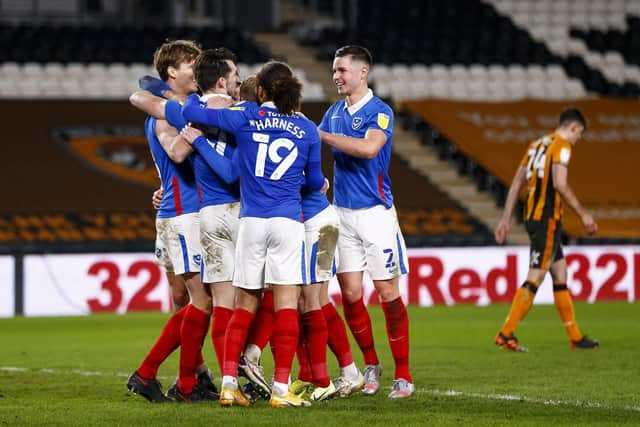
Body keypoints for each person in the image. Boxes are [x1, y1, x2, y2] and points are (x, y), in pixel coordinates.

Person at [180, 60, 326, 408]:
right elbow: (315, 182)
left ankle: (229, 384)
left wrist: (193, 100)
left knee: (244, 302)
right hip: (287, 221)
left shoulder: (245, 117)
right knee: (287, 303)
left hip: (251, 221)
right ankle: (279, 389)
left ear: (260, 91)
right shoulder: (306, 130)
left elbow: (192, 111)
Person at [318, 45, 413, 399]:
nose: (336, 77)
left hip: (375, 215)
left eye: (342, 70)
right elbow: (314, 152)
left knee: (388, 294)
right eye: (333, 71)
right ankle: (371, 364)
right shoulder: (332, 113)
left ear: (362, 72)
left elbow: (370, 148)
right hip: (341, 214)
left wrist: (323, 137)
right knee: (351, 295)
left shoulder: (380, 111)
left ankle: (403, 375)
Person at [126, 40, 217, 403]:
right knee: (202, 302)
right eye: (190, 63)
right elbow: (176, 151)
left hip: (179, 211)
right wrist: (201, 125)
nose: (197, 68)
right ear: (172, 73)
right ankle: (156, 376)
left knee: (187, 301)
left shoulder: (178, 110)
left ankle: (196, 377)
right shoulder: (167, 114)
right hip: (183, 216)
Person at [494, 107, 600, 352]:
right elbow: (560, 184)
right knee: (536, 275)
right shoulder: (562, 145)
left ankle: (575, 337)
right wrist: (584, 215)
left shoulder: (536, 145)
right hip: (547, 219)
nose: (578, 139)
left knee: (560, 273)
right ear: (573, 127)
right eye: (579, 134)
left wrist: (506, 218)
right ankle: (506, 333)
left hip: (533, 216)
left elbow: (517, 182)